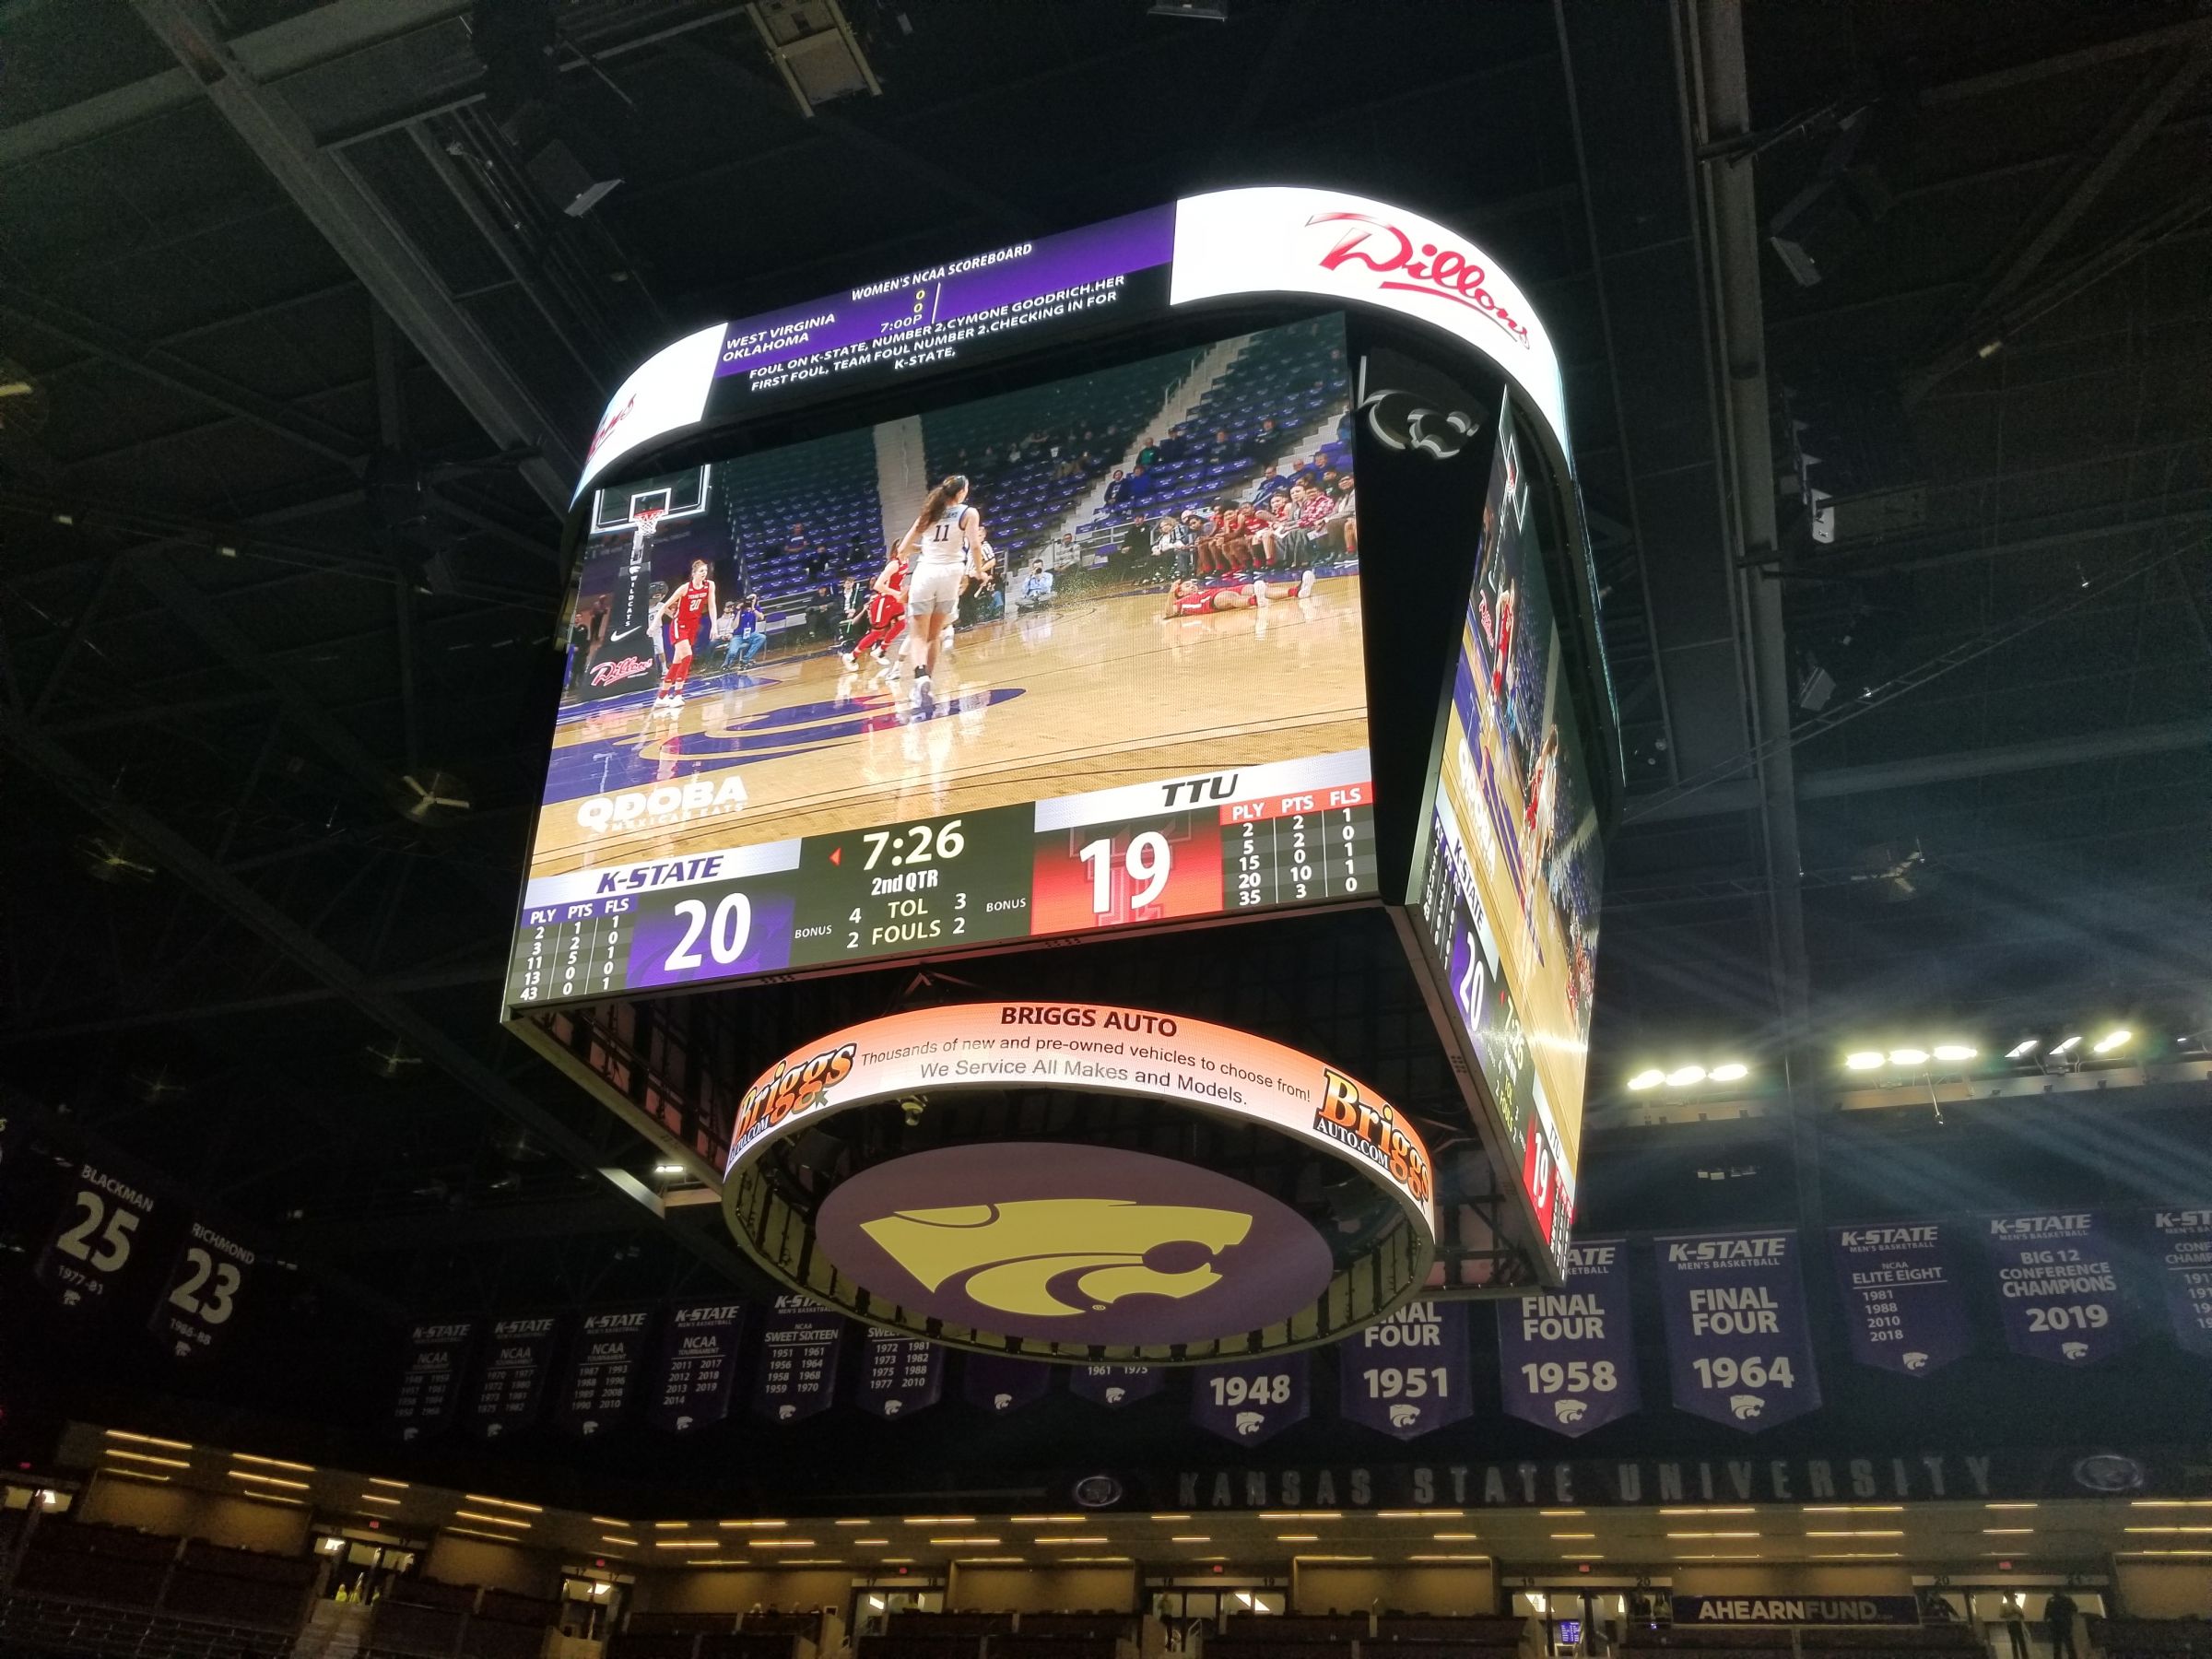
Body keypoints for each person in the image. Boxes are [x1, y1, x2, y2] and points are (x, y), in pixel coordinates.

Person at [891, 474, 984, 698]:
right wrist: (979, 571)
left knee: (917, 634)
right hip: (952, 574)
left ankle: (920, 675)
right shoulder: (969, 512)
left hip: (926, 573)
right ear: (961, 492)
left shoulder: (930, 512)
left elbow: (903, 547)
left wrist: (922, 550)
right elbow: (975, 545)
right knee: (935, 634)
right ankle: (928, 680)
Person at [649, 559, 716, 712]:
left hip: (693, 625)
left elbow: (712, 606)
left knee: (677, 662)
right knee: (687, 656)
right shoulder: (685, 588)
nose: (704, 574)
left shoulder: (710, 586)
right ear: (694, 574)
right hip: (680, 624)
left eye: (705, 571)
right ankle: (678, 694)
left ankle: (661, 697)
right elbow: (664, 606)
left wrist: (714, 626)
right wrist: (653, 624)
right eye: (701, 571)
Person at [844, 550, 909, 674]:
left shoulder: (906, 560)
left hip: (895, 600)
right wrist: (898, 594)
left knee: (901, 625)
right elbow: (877, 586)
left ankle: (880, 651)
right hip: (884, 600)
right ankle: (851, 656)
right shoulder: (894, 564)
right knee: (876, 633)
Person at [1159, 571, 1312, 618]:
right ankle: (1255, 601)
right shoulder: (1178, 604)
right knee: (1228, 597)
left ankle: (1297, 592)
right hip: (1211, 602)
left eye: (1193, 584)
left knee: (1251, 587)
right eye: (1187, 586)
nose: (1192, 586)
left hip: (1217, 593)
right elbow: (1167, 614)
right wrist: (1171, 593)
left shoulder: (1202, 590)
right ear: (1180, 592)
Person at [724, 594, 767, 669]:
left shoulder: (756, 608)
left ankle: (745, 659)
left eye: (753, 599)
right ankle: (726, 665)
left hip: (750, 634)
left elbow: (761, 617)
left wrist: (753, 608)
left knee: (762, 637)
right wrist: (739, 611)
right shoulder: (738, 609)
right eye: (750, 598)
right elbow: (734, 626)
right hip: (738, 635)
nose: (750, 600)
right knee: (732, 653)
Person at [2044, 1590, 2078, 1659]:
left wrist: (2048, 1620)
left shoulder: (2051, 1600)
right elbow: (2074, 1609)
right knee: (2067, 1643)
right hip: (2063, 1624)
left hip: (2058, 1624)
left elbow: (2047, 1613)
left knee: (2059, 1644)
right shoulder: (2066, 1599)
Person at [1999, 1594, 2030, 1659]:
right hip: (2011, 1623)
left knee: (2021, 1641)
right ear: (2008, 1597)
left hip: (2018, 1623)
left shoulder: (2017, 1606)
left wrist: (2019, 1613)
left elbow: (2022, 1615)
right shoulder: (2004, 1605)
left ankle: (2025, 1656)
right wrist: (2011, 1612)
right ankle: (2016, 1657)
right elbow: (2001, 1615)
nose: (2014, 1598)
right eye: (2012, 1596)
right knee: (2014, 1641)